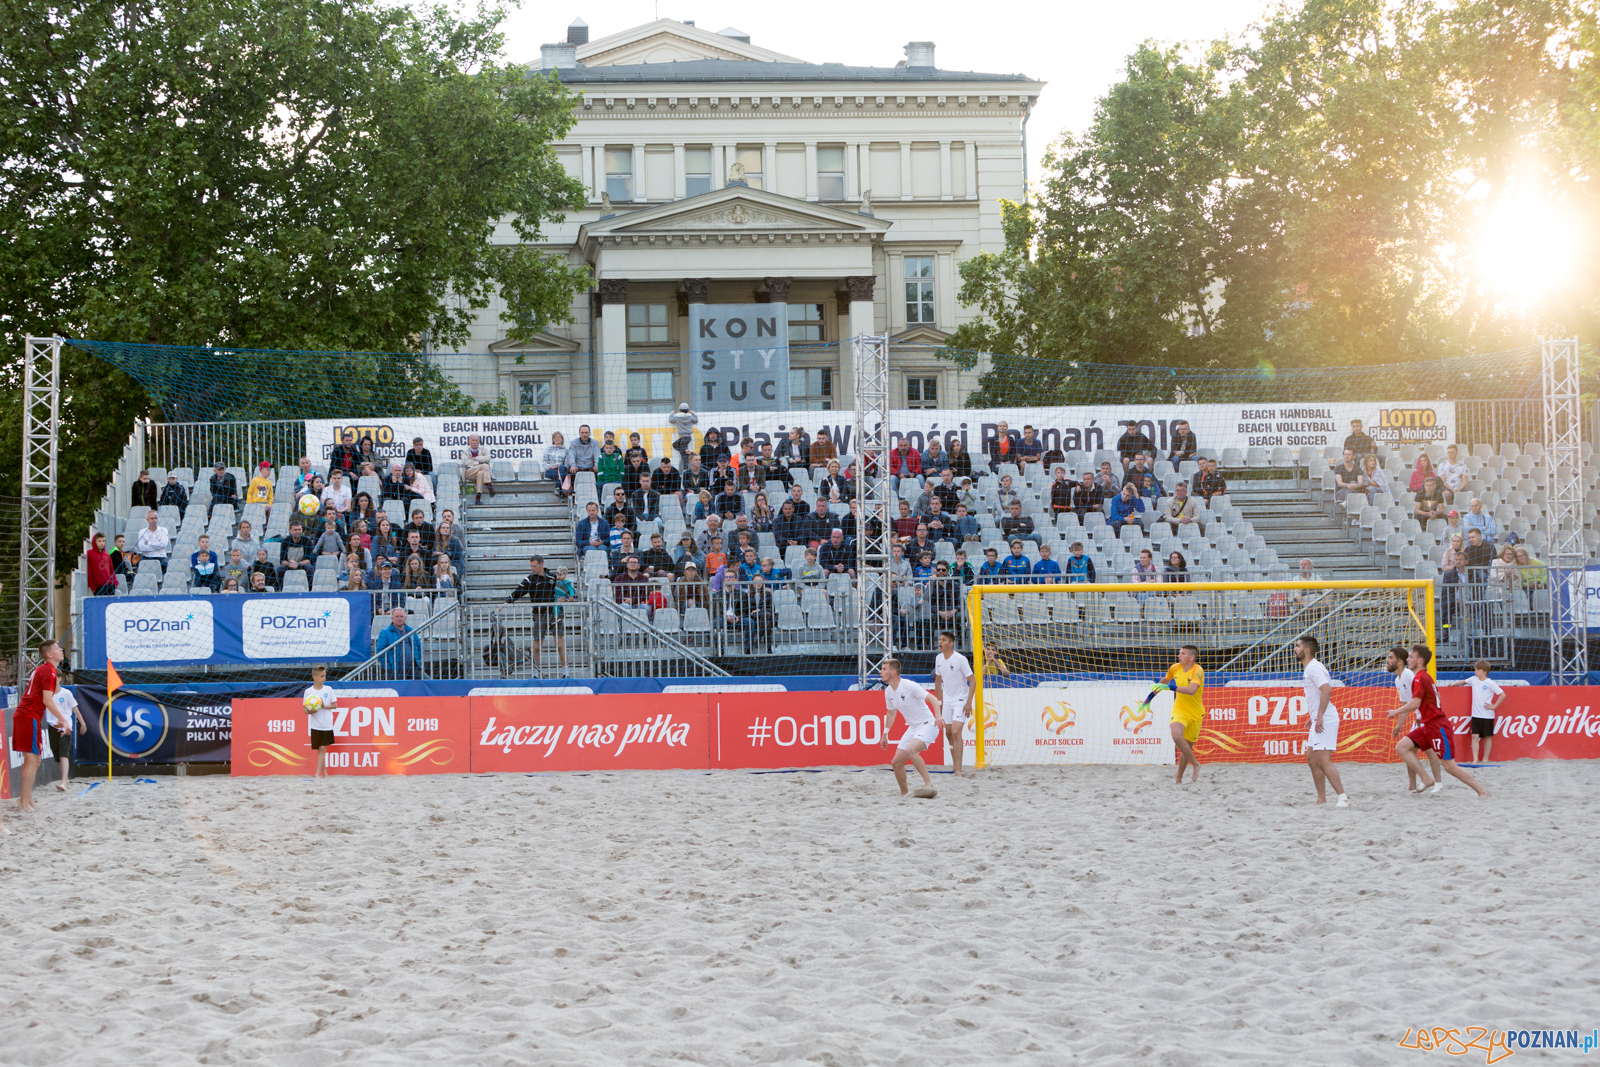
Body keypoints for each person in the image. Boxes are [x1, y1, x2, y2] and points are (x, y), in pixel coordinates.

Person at [1388, 643, 1489, 796]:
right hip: (1426, 724)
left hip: (1437, 725)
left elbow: (1416, 702)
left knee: (1450, 767)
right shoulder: (1420, 677)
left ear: (1420, 661)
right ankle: (1426, 779)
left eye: (1411, 657)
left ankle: (1482, 791)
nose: (1408, 659)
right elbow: (1425, 701)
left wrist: (1396, 712)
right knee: (1402, 747)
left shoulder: (1419, 678)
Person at [13, 639, 66, 813]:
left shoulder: (47, 670)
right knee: (33, 760)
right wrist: (63, 719)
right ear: (49, 654)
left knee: (33, 760)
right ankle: (23, 802)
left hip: (30, 715)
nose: (61, 650)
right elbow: (47, 700)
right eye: (57, 648)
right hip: (28, 715)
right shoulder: (48, 671)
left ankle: (26, 800)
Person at [1296, 635, 1349, 807]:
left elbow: (1327, 690)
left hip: (1326, 718)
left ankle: (1342, 797)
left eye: (1297, 646)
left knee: (1323, 760)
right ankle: (1321, 799)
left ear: (1306, 650)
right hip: (1320, 717)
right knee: (1312, 759)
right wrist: (1313, 717)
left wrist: (1319, 716)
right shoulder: (1311, 668)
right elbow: (1319, 695)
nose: (1294, 650)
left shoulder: (1314, 668)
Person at [878, 658, 940, 798]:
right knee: (896, 762)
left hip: (928, 724)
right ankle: (904, 793)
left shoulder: (909, 685)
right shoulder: (888, 691)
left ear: (893, 672)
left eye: (884, 669)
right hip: (913, 728)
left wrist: (938, 716)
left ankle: (929, 786)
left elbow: (933, 699)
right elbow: (891, 713)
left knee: (911, 750)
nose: (880, 672)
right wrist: (885, 734)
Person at [1385, 645, 1441, 794]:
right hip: (1419, 717)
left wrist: (1422, 715)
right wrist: (1399, 724)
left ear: (1400, 661)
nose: (1387, 660)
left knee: (1417, 750)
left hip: (1426, 717)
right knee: (1412, 751)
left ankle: (1433, 782)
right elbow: (1405, 704)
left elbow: (1432, 696)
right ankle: (1415, 786)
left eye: (1391, 658)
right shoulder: (1398, 679)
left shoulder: (1410, 674)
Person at [1159, 645, 1205, 784]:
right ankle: (1196, 764)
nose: (1179, 655)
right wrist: (1149, 697)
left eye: (1183, 653)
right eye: (1179, 652)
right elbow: (1164, 682)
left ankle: (1179, 776)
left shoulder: (1198, 670)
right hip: (1179, 710)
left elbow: (1192, 690)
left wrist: (1171, 687)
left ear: (1191, 657)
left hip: (1196, 713)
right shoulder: (1175, 668)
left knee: (1187, 748)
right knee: (1177, 735)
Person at [932, 630, 975, 776]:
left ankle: (958, 768)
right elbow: (938, 682)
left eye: (943, 640)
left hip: (961, 699)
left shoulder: (960, 659)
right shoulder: (938, 658)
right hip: (947, 700)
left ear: (951, 643)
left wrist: (969, 702)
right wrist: (939, 702)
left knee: (956, 732)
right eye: (939, 640)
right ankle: (954, 765)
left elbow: (972, 681)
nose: (940, 642)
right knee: (948, 733)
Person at [1465, 659, 1507, 763]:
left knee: (1487, 737)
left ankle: (1485, 759)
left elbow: (1502, 694)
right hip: (1475, 714)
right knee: (1474, 736)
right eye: (1475, 669)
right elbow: (1464, 681)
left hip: (1487, 715)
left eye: (1478, 669)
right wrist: (1454, 684)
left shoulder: (1490, 683)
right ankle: (1475, 759)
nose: (1476, 671)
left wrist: (1494, 706)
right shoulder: (1473, 679)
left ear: (1484, 671)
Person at [47, 684, 86, 791]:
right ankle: (65, 780)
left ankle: (63, 781)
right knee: (57, 755)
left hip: (66, 726)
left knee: (64, 753)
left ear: (59, 678)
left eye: (55, 678)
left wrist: (82, 723)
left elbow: (75, 709)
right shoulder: (47, 694)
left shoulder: (66, 693)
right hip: (52, 725)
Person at [303, 664, 337, 778]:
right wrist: (309, 711)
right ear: (314, 677)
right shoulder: (308, 692)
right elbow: (304, 709)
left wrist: (323, 706)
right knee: (320, 750)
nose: (324, 678)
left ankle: (317, 773)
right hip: (315, 724)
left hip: (326, 724)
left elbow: (335, 705)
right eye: (322, 676)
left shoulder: (328, 689)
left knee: (322, 748)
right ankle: (325, 773)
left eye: (325, 676)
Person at [729, 574, 775, 654]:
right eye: (756, 581)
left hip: (765, 616)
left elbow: (771, 608)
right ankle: (768, 647)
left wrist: (758, 611)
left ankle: (758, 640)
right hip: (754, 620)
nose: (758, 583)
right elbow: (744, 610)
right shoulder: (746, 595)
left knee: (766, 615)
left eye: (760, 581)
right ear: (752, 583)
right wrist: (753, 613)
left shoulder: (767, 594)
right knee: (768, 624)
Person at [376, 605, 425, 679]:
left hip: (413, 669)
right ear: (392, 618)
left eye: (401, 616)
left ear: (405, 618)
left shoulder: (411, 631)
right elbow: (380, 653)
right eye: (397, 616)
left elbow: (419, 647)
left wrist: (418, 662)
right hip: (395, 671)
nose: (399, 618)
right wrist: (389, 668)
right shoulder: (385, 632)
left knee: (428, 682)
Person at [461, 434, 494, 504]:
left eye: (476, 440)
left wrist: (476, 458)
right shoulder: (464, 452)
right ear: (469, 441)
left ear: (479, 442)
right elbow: (466, 462)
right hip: (469, 473)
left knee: (481, 473)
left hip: (479, 473)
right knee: (484, 466)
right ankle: (489, 487)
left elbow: (488, 458)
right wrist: (479, 463)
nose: (474, 442)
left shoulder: (484, 450)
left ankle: (478, 497)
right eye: (472, 440)